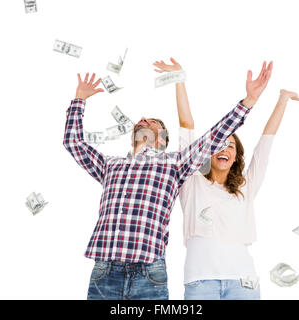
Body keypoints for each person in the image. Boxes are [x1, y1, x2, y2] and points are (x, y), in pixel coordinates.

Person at [62, 65, 271, 300]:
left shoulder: (173, 164)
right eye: (141, 120)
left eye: (151, 122)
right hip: (105, 271)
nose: (142, 119)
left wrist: (249, 101)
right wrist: (79, 99)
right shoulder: (110, 165)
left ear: (162, 138)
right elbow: (73, 143)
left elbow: (213, 138)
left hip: (149, 274)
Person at [155, 58, 299, 300]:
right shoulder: (191, 180)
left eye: (231, 146)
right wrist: (179, 80)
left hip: (243, 283)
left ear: (236, 156)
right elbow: (186, 127)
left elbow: (265, 144)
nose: (224, 149)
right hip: (201, 282)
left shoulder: (246, 186)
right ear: (208, 153)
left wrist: (282, 100)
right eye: (220, 144)